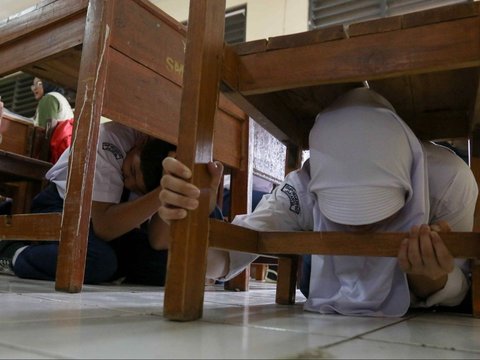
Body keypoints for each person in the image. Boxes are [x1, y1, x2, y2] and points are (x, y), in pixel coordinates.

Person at [158, 87, 478, 317]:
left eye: (376, 209)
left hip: (414, 291)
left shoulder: (450, 182)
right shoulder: (302, 186)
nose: (361, 226)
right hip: (322, 271)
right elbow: (226, 255)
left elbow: (462, 286)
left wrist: (429, 277)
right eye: (344, 211)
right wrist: (191, 222)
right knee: (309, 275)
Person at [0, 121, 180, 285]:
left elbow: (158, 242)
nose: (128, 183)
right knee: (98, 260)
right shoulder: (111, 136)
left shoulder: (167, 161)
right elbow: (104, 226)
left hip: (109, 227)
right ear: (142, 143)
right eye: (132, 170)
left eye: (138, 189)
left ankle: (103, 269)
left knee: (164, 264)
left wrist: (171, 190)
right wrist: (162, 192)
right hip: (62, 205)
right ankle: (14, 253)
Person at [31, 77, 74, 164]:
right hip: (64, 154)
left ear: (48, 83)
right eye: (33, 85)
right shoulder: (61, 99)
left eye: (39, 83)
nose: (34, 88)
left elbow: (41, 132)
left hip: (52, 156)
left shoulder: (48, 98)